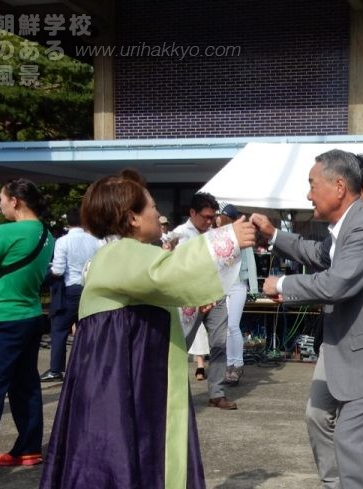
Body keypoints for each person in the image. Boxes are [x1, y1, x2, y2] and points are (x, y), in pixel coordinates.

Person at [38, 169, 255, 489]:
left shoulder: (119, 255)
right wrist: (229, 238)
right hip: (122, 385)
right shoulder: (122, 253)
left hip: (124, 380)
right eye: (152, 207)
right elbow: (170, 275)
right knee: (120, 457)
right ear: (133, 218)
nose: (158, 213)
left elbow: (164, 290)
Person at [250, 149, 363, 489]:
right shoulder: (347, 226)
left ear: (339, 187)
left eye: (312, 184)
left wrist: (280, 283)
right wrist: (273, 235)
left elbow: (336, 283)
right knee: (353, 438)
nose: (308, 194)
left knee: (355, 440)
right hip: (356, 350)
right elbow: (317, 255)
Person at [0, 179, 55, 482]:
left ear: (15, 201)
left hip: (1, 316)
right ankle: (28, 448)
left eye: (1, 200)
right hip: (30, 315)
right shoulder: (46, 233)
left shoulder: (6, 232)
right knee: (25, 386)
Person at [173, 192, 237, 410]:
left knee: (219, 344)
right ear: (192, 213)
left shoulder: (215, 234)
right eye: (206, 217)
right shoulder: (179, 235)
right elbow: (178, 271)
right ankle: (176, 393)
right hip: (190, 298)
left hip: (216, 294)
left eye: (212, 217)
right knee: (181, 346)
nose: (210, 221)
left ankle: (217, 393)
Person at [40, 207, 100, 383]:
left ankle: (56, 370)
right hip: (90, 288)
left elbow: (58, 270)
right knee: (88, 328)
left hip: (69, 289)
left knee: (59, 329)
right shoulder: (96, 241)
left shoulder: (63, 241)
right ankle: (89, 366)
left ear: (68, 222)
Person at [215, 203, 259, 386]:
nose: (217, 218)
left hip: (239, 284)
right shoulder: (217, 236)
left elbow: (251, 262)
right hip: (223, 285)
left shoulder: (241, 236)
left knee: (233, 325)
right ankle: (229, 364)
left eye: (221, 215)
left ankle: (237, 364)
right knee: (226, 327)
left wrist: (255, 288)